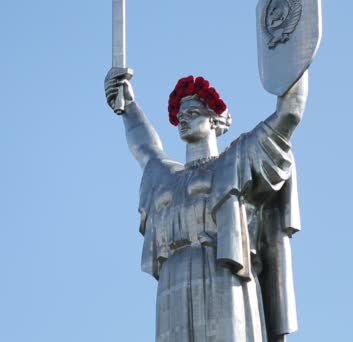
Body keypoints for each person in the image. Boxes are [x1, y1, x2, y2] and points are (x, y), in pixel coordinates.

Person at [104, 70, 308, 342]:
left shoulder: (235, 160)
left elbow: (289, 114)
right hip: (173, 280)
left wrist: (292, 56)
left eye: (192, 114)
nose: (183, 120)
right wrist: (127, 105)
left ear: (214, 120)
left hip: (222, 270)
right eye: (180, 116)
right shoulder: (165, 177)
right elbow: (145, 148)